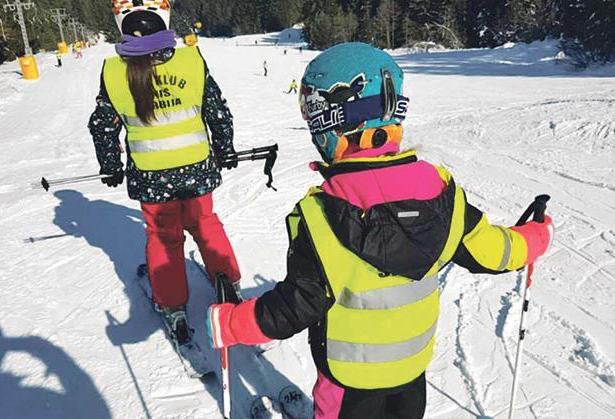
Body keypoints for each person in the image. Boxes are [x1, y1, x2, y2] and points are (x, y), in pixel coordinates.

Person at [206, 43, 554, 419]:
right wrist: (536, 237)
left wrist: (230, 324)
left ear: (332, 125)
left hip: (348, 380)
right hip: (410, 372)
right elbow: (495, 252)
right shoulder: (443, 194)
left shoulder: (322, 216)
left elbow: (295, 307)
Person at [88, 0, 241, 346]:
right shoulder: (191, 61)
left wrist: (110, 165)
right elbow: (217, 111)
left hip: (151, 175)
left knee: (163, 237)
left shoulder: (114, 71)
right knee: (205, 223)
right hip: (197, 168)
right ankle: (228, 282)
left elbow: (103, 125)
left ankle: (172, 304)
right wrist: (225, 148)